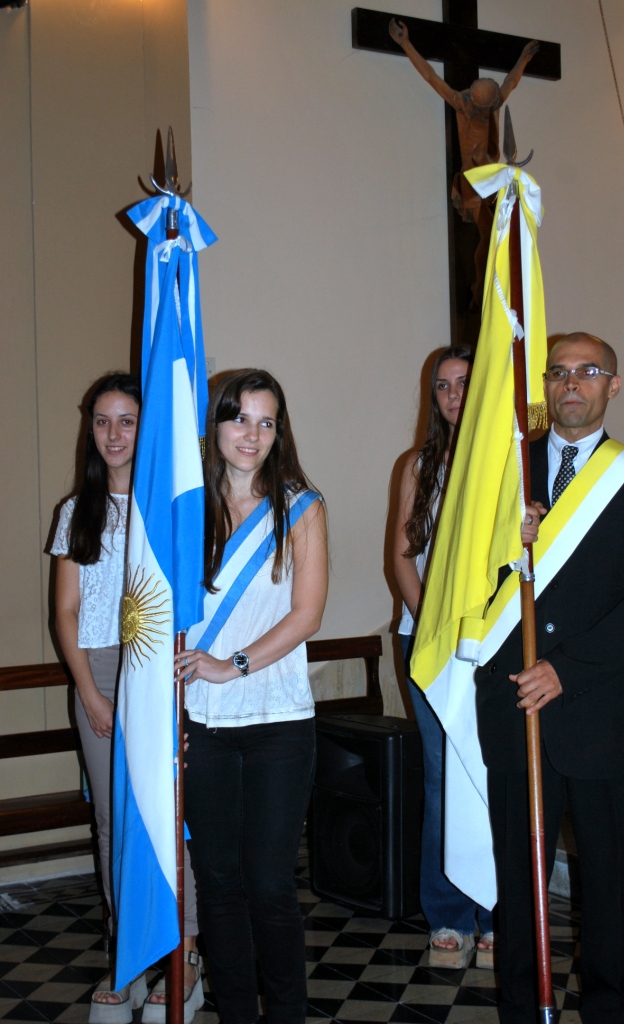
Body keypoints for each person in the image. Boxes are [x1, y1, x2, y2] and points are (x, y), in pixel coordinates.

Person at [474, 333, 624, 1023]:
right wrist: (504, 550)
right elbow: (465, 584)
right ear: (545, 385)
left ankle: (605, 1004)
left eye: (587, 372)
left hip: (599, 708)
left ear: (611, 386)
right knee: (518, 872)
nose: (571, 384)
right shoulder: (505, 476)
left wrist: (565, 669)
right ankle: (520, 1004)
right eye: (558, 372)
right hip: (515, 706)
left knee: (607, 872)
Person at [51, 373, 202, 1024]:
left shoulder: (168, 508)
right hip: (100, 673)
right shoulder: (75, 512)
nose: (113, 434)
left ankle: (184, 952)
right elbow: (65, 611)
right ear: (90, 428)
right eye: (102, 421)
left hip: (158, 671)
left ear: (147, 429)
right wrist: (89, 692)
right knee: (113, 821)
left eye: (128, 421)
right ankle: (130, 953)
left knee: (169, 815)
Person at [179, 368, 328, 1024]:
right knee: (217, 883)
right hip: (202, 723)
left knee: (269, 885)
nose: (252, 434)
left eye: (267, 422)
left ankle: (287, 1015)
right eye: (239, 418)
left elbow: (307, 614)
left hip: (278, 722)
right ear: (214, 424)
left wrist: (230, 665)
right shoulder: (186, 509)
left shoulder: (301, 506)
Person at [393, 347, 541, 969]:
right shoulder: (418, 465)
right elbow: (402, 558)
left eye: (464, 382)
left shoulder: (513, 459)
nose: (455, 395)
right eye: (444, 386)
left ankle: (498, 913)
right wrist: (437, 628)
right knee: (441, 776)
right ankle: (449, 913)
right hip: (430, 644)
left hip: (495, 644)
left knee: (494, 775)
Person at [388, 18, 538, 306]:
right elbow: (431, 76)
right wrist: (405, 43)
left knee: (495, 237)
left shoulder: (492, 104)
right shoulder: (462, 105)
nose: (486, 113)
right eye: (483, 110)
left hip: (492, 181)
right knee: (487, 237)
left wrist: (524, 59)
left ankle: (483, 287)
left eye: (490, 108)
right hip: (472, 183)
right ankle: (479, 289)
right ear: (475, 102)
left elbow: (510, 82)